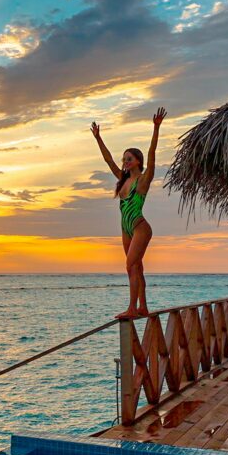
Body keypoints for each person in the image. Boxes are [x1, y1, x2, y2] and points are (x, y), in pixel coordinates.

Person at [90, 109, 166, 318]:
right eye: (124, 159)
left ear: (138, 161)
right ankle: (143, 307)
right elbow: (108, 161)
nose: (125, 162)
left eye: (129, 158)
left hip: (140, 227)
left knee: (130, 265)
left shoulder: (143, 180)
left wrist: (156, 128)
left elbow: (152, 155)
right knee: (137, 268)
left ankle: (132, 308)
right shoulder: (122, 179)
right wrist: (98, 138)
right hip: (125, 228)